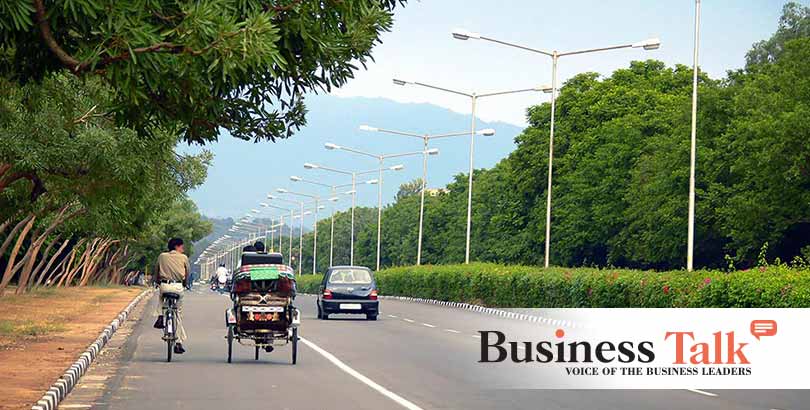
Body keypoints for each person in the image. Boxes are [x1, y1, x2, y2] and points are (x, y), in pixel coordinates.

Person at [153, 237, 190, 354]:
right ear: (176, 246)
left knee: (161, 295)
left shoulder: (162, 256)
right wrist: (185, 283)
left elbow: (156, 271)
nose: (183, 249)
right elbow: (187, 272)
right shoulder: (184, 258)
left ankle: (160, 316)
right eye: (182, 246)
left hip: (165, 285)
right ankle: (178, 343)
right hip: (178, 287)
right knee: (178, 313)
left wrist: (157, 281)